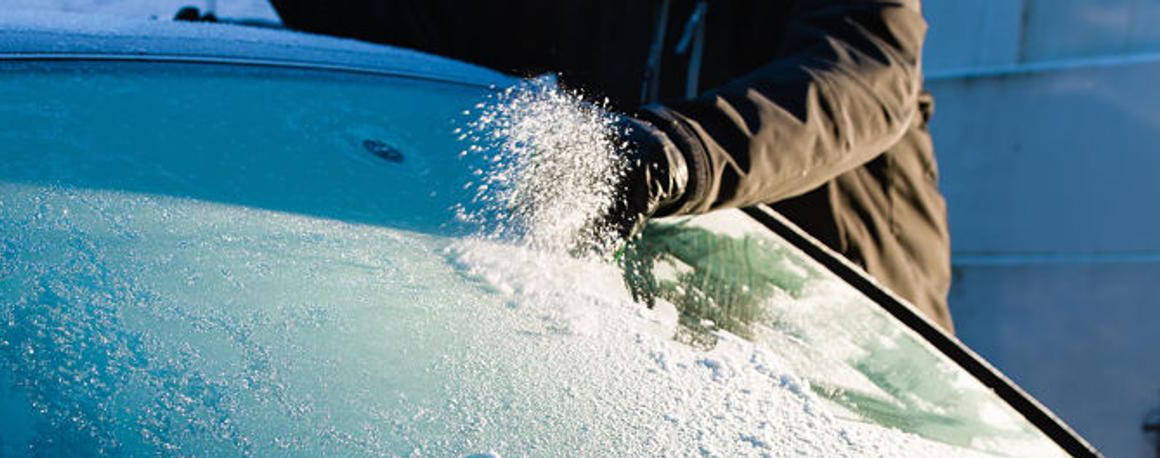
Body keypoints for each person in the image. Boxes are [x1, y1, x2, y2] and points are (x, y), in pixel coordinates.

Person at [270, 0, 954, 331]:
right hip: (694, 337)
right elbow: (441, 28)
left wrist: (673, 152)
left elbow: (865, 75)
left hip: (858, 329)